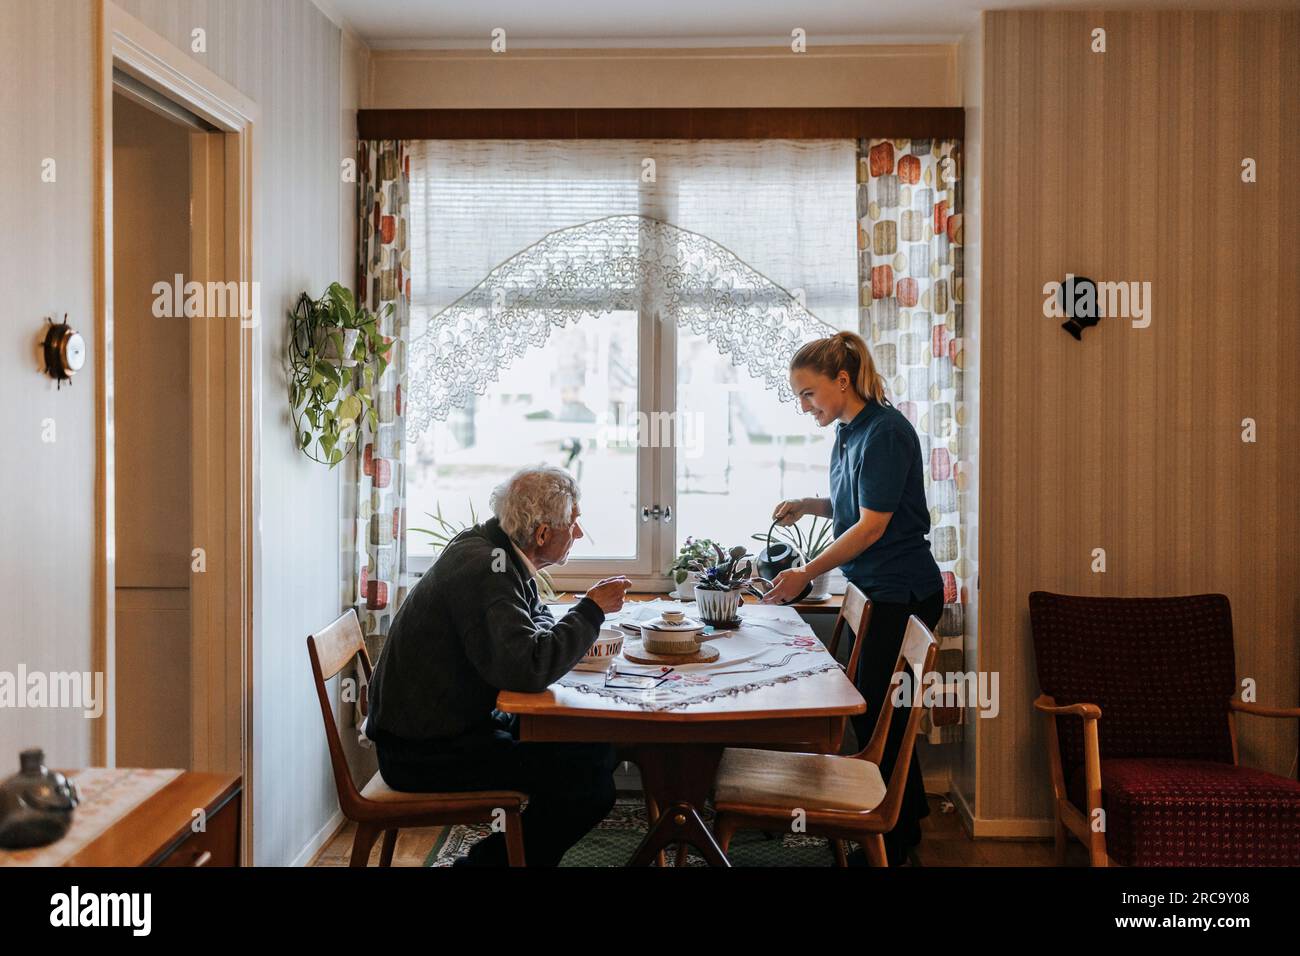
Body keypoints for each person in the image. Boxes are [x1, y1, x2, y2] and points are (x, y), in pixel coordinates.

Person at [363, 465, 632, 866]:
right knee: (589, 784)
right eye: (574, 522)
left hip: (440, 731)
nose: (578, 533)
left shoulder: (490, 547)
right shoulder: (487, 570)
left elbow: (535, 618)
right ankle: (480, 867)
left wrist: (563, 623)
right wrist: (591, 610)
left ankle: (515, 856)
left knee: (595, 748)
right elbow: (528, 669)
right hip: (424, 753)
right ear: (542, 533)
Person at [760, 330, 943, 866]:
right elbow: (852, 503)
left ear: (843, 381)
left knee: (880, 712)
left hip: (900, 593)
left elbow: (870, 526)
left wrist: (804, 573)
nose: (804, 406)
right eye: (798, 396)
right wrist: (808, 503)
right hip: (877, 589)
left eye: (808, 393)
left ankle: (894, 834)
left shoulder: (885, 431)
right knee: (886, 710)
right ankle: (911, 817)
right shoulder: (848, 429)